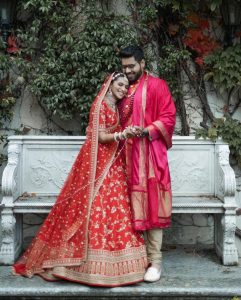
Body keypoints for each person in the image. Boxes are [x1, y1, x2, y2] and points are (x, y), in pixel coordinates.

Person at [12, 72, 148, 287]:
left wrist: (127, 131)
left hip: (112, 162)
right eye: (120, 85)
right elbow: (100, 137)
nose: (123, 89)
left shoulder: (115, 107)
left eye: (125, 87)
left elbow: (113, 132)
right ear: (110, 84)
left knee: (115, 206)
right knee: (96, 205)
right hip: (97, 163)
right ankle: (84, 265)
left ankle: (119, 263)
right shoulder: (100, 105)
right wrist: (123, 135)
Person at [118, 45, 176, 282]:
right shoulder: (120, 87)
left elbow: (169, 117)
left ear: (142, 63)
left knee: (151, 207)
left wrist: (146, 131)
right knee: (124, 208)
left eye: (132, 65)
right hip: (124, 157)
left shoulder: (157, 85)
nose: (128, 70)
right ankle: (132, 260)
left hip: (150, 157)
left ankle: (155, 261)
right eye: (124, 67)